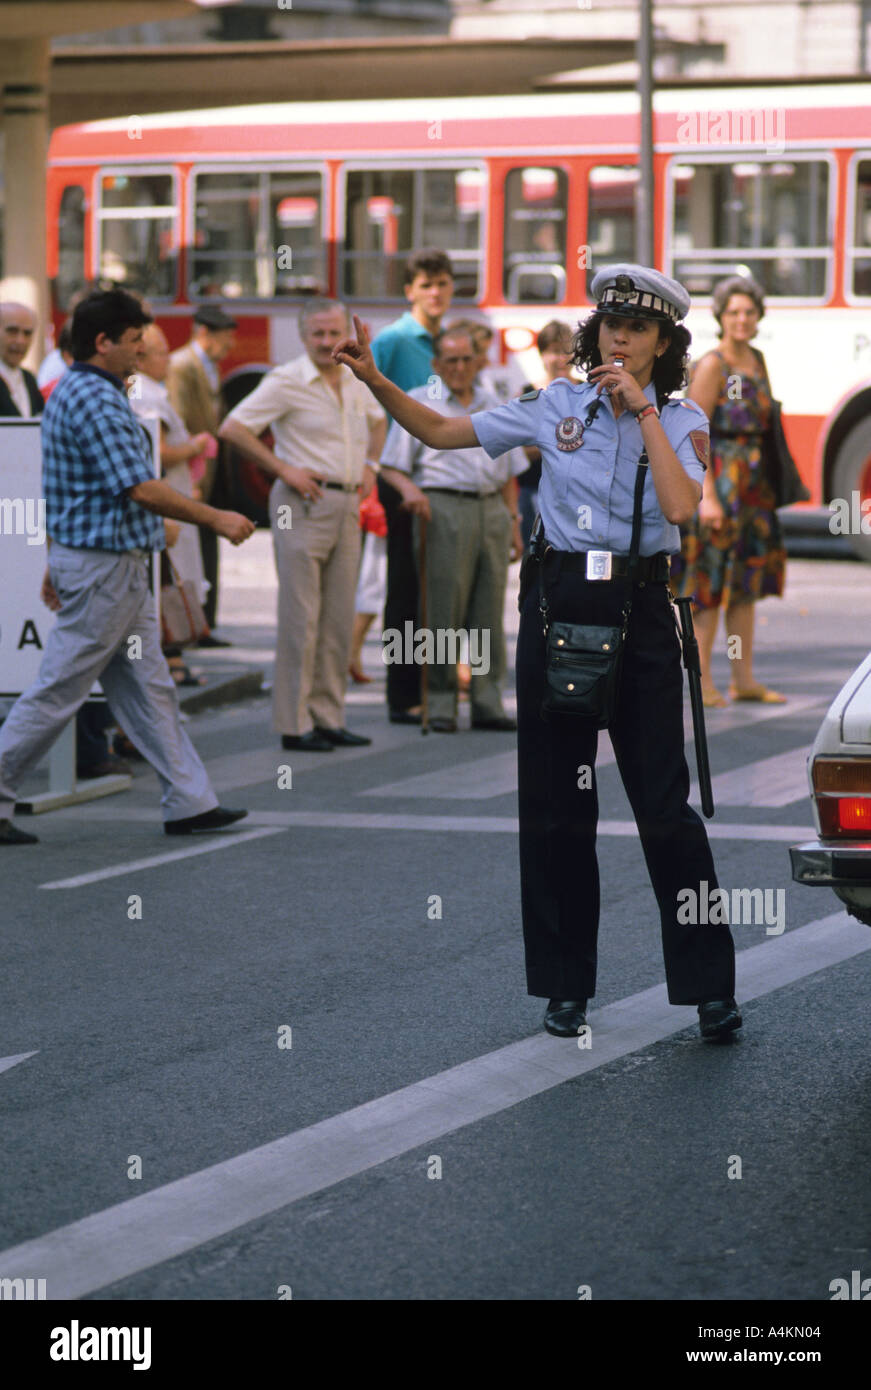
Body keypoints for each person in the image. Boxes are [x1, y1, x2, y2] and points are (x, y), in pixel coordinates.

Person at [332, 264, 741, 1043]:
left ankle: (708, 987)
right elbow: (442, 433)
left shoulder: (683, 419)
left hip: (642, 610)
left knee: (664, 808)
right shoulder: (554, 404)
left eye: (639, 328)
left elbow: (682, 506)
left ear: (662, 343)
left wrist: (643, 413)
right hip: (559, 605)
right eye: (610, 324)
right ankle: (564, 987)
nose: (619, 336)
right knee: (556, 807)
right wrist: (377, 384)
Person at [0, 288, 255, 846]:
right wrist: (215, 518)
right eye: (135, 340)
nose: (141, 351)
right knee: (59, 689)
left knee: (148, 687)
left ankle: (191, 801)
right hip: (106, 570)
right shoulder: (95, 398)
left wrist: (56, 560)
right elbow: (138, 487)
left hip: (107, 566)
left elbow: (68, 488)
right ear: (103, 342)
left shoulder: (85, 390)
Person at [219, 298, 385, 752]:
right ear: (303, 335)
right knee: (301, 619)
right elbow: (233, 429)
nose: (327, 342)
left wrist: (371, 465)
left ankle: (328, 717)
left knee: (337, 619)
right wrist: (282, 469)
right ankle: (294, 725)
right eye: (317, 333)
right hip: (301, 504)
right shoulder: (285, 380)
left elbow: (379, 421)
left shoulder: (356, 376)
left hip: (348, 503)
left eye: (333, 332)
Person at [0, 300, 132, 781]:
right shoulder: (82, 391)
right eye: (9, 331)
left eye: (25, 332)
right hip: (70, 547)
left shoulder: (36, 386)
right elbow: (129, 483)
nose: (18, 340)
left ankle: (187, 794)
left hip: (66, 540)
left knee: (138, 679)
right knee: (61, 679)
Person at [379, 324, 524, 732]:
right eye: (451, 360)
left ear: (479, 361)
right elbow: (391, 466)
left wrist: (513, 523)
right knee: (442, 610)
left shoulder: (495, 402)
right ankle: (440, 701)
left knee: (488, 611)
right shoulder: (421, 403)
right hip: (442, 506)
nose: (460, 368)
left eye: (467, 359)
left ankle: (487, 700)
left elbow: (510, 471)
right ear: (436, 364)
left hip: (491, 507)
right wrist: (413, 492)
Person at [670, 276, 787, 705]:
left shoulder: (757, 360)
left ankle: (744, 678)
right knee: (709, 586)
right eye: (734, 311)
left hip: (755, 489)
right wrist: (708, 496)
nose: (742, 319)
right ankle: (702, 683)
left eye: (749, 312)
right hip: (720, 481)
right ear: (721, 316)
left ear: (758, 317)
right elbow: (693, 431)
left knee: (746, 583)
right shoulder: (713, 364)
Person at [371, 249, 454, 724]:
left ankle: (436, 680)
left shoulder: (446, 342)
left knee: (435, 587)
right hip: (400, 476)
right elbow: (364, 400)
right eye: (426, 285)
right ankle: (402, 693)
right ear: (409, 291)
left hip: (438, 477)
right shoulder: (395, 340)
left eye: (442, 283)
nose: (436, 292)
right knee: (404, 589)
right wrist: (374, 470)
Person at [131, 323, 214, 687]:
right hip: (166, 504)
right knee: (166, 582)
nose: (168, 358)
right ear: (142, 357)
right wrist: (196, 447)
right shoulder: (146, 394)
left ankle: (166, 662)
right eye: (162, 352)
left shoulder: (145, 389)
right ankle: (167, 661)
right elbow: (159, 452)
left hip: (172, 498)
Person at [167, 305, 237, 645]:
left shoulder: (209, 366)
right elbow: (179, 420)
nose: (230, 345)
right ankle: (194, 623)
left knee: (208, 545)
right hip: (194, 471)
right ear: (204, 334)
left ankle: (205, 622)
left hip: (209, 471)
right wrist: (193, 479)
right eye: (225, 338)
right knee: (192, 550)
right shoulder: (182, 366)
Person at [516, 320, 577, 550]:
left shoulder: (585, 391)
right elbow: (518, 451)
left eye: (566, 352)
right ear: (542, 355)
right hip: (535, 491)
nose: (561, 359)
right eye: (554, 351)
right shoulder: (527, 394)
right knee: (534, 556)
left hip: (576, 492)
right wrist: (559, 444)